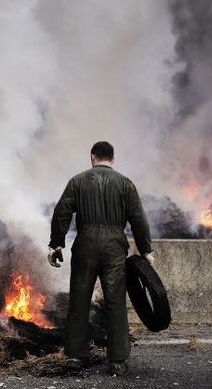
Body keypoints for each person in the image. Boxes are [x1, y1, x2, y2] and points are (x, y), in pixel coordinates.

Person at [48, 141, 154, 376]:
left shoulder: (77, 181)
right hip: (114, 245)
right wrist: (146, 250)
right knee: (115, 300)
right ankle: (117, 360)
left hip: (85, 243)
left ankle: (76, 356)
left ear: (92, 157)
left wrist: (56, 244)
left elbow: (61, 212)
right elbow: (138, 219)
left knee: (79, 298)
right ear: (113, 160)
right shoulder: (125, 183)